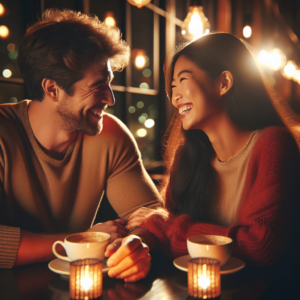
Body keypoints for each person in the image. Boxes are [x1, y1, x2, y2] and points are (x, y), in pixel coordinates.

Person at [0, 8, 160, 282]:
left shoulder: (111, 135)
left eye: (110, 83)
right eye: (98, 86)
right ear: (52, 89)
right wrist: (83, 241)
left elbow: (152, 215)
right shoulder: (4, 133)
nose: (110, 99)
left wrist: (138, 245)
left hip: (84, 285)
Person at [120, 32, 300, 268]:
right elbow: (161, 230)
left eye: (183, 80)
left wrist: (165, 226)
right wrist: (136, 241)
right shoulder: (187, 159)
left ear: (224, 83)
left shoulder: (273, 145)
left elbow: (260, 245)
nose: (175, 98)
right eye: (172, 88)